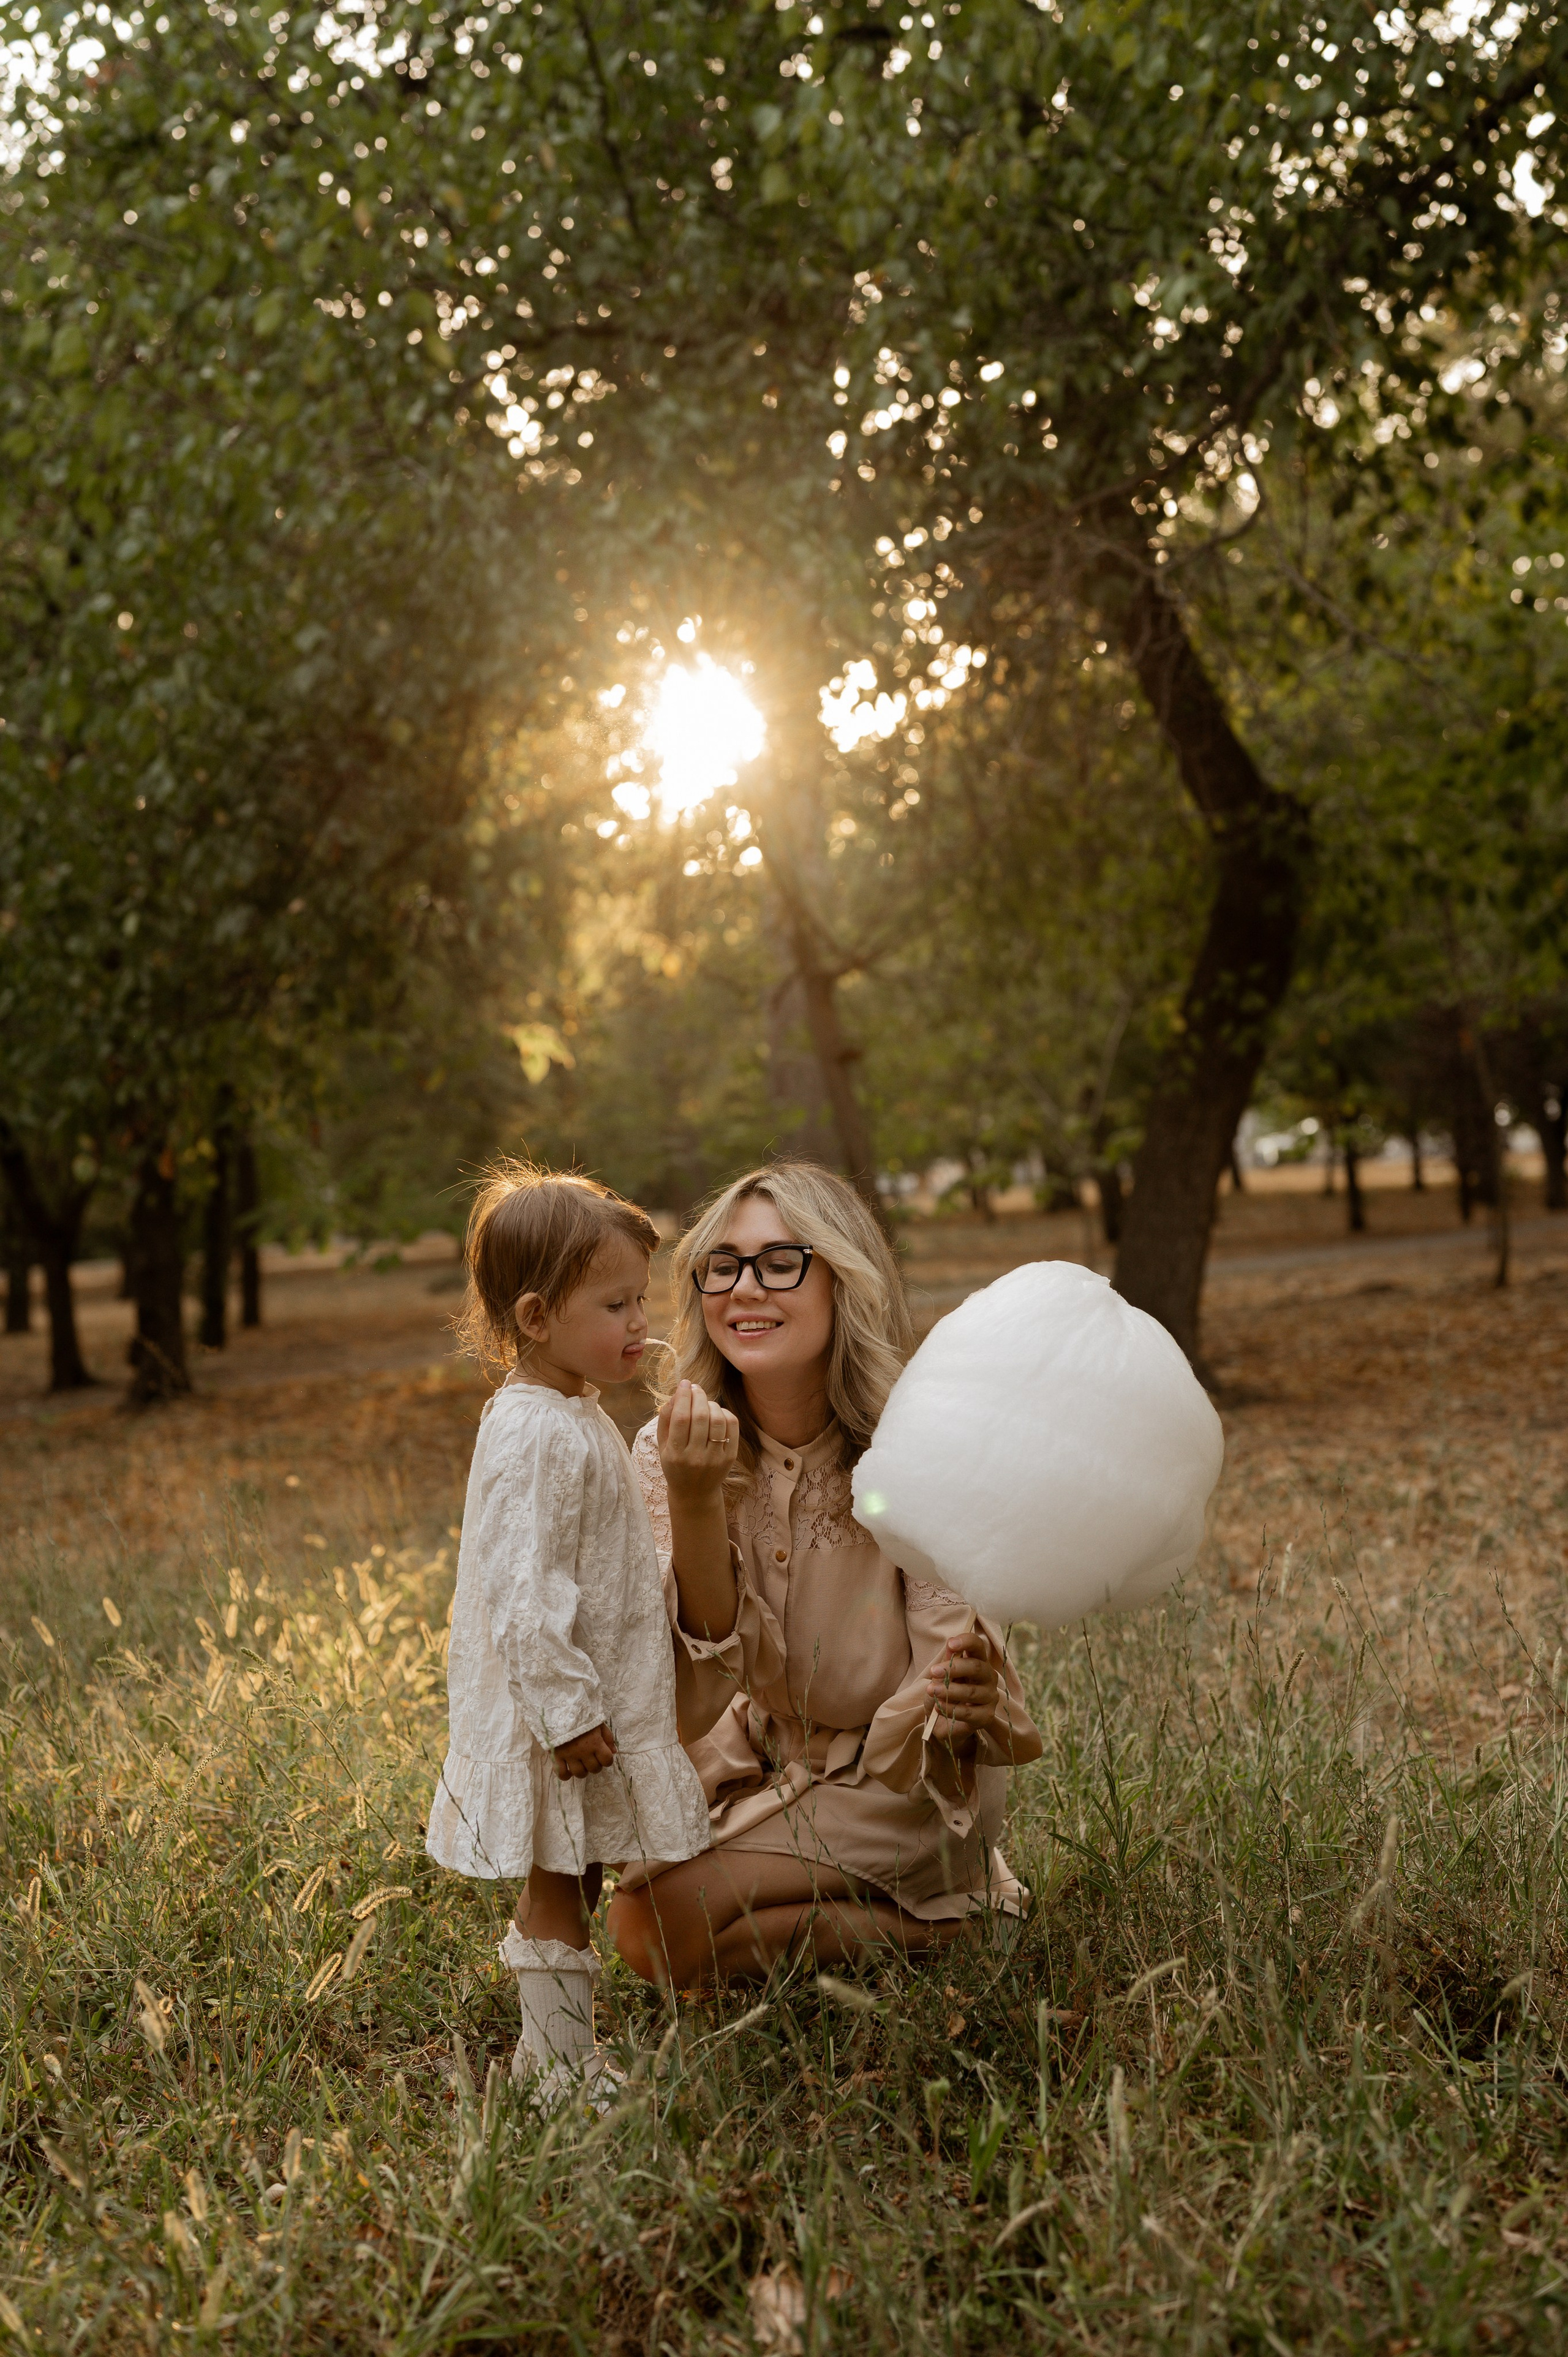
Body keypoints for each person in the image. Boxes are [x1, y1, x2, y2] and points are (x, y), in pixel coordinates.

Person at [607, 1163, 1043, 1989]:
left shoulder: (923, 1449)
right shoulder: (671, 1452)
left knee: (656, 1921)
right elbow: (691, 1693)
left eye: (780, 1262)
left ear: (842, 1278)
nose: (744, 1289)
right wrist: (697, 1502)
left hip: (903, 1780)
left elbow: (950, 1666)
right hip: (759, 1754)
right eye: (722, 1265)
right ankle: (938, 1925)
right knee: (643, 1927)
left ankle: (963, 1916)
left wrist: (967, 1692)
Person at [426, 1164, 710, 2096]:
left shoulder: (573, 1412)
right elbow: (520, 1588)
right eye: (616, 1304)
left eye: (641, 1300)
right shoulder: (534, 1432)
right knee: (558, 1880)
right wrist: (566, 1714)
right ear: (540, 1317)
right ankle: (554, 2070)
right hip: (561, 1720)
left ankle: (561, 2054)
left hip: (589, 1705)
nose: (639, 1324)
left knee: (579, 1872)